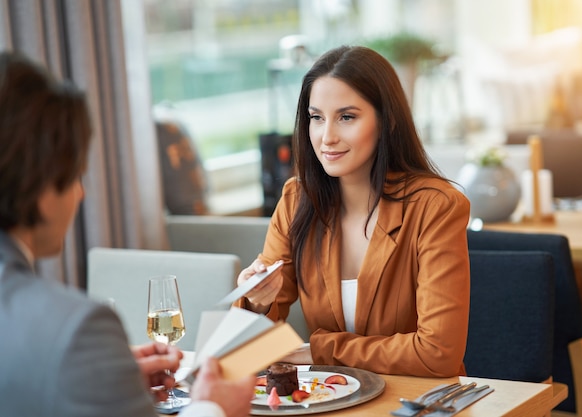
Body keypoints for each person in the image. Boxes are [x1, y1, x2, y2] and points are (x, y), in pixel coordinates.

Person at [0, 51, 255, 417]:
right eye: (75, 175)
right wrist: (214, 408)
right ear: (39, 186)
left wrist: (105, 381)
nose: (81, 193)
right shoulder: (77, 331)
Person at [236, 45, 471, 377]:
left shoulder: (436, 207)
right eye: (316, 118)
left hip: (420, 402)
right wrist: (257, 302)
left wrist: (320, 351)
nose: (326, 137)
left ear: (387, 121)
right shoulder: (296, 200)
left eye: (346, 117)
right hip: (330, 399)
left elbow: (436, 354)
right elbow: (244, 353)